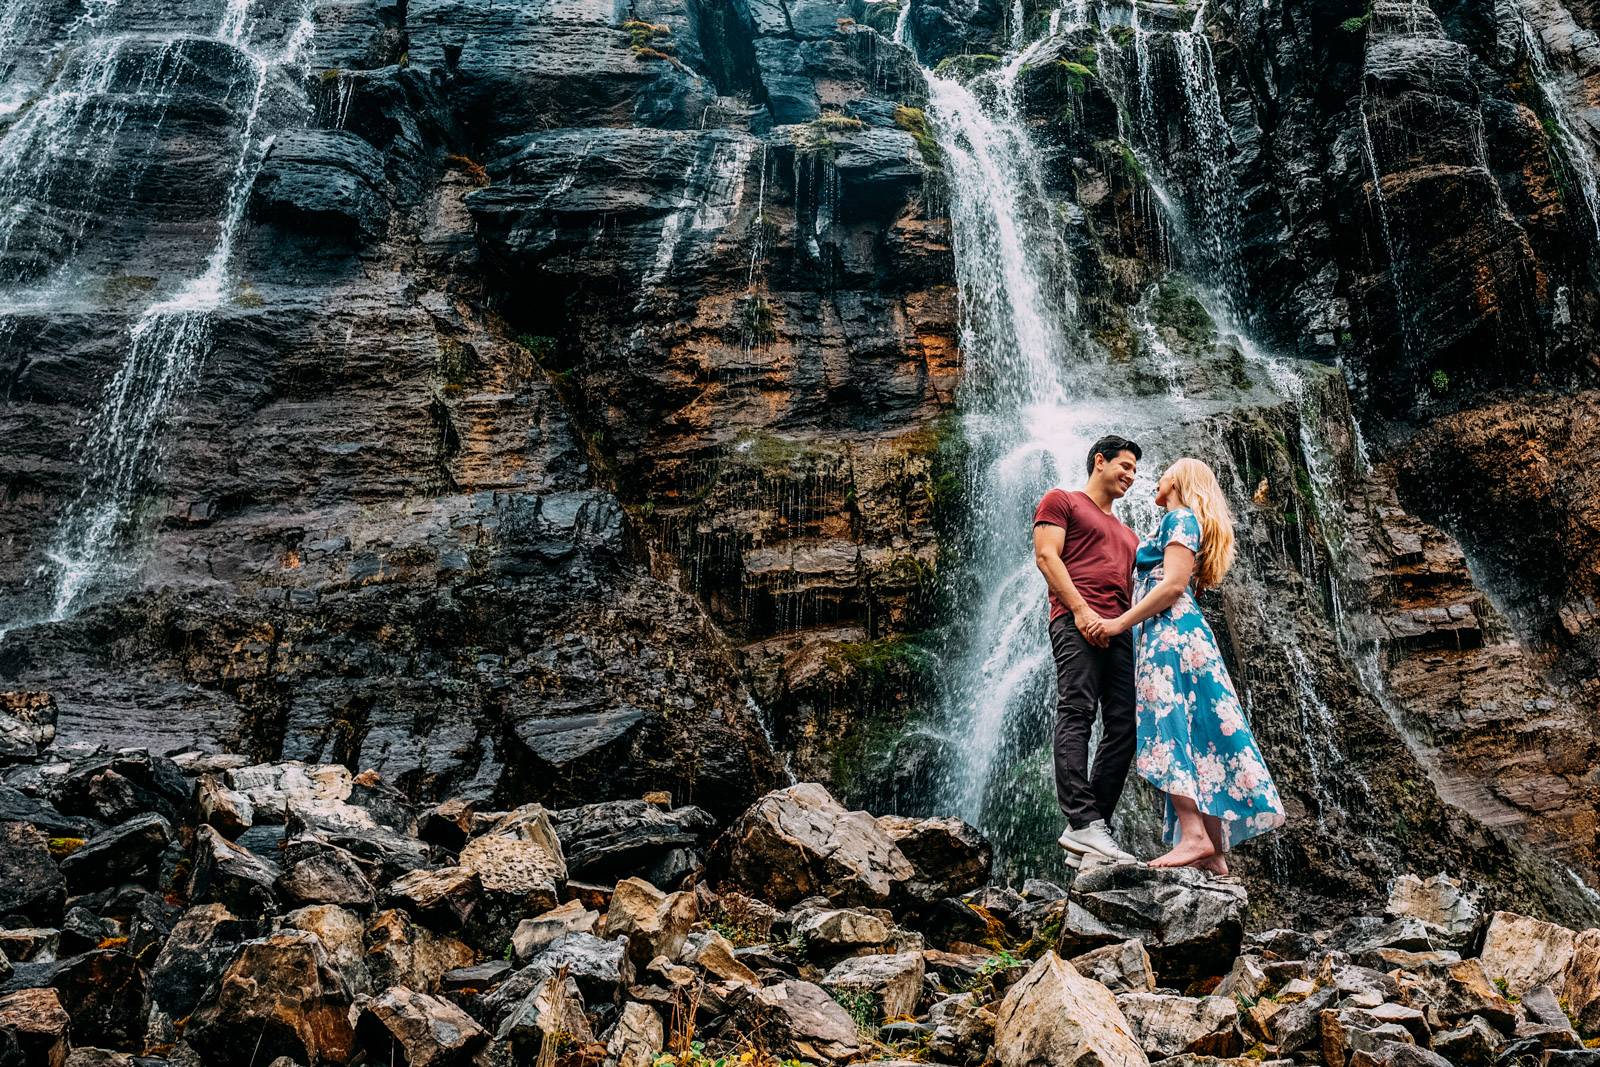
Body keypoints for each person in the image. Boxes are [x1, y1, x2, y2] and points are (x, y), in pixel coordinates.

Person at [1093, 457, 1285, 872]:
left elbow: (1173, 585)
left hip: (1169, 637)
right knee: (1201, 732)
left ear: (1179, 480)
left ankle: (1194, 834)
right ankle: (1212, 847)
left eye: (1163, 472)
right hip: (1188, 637)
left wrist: (1117, 624)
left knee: (1169, 726)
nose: (1153, 478)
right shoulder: (1187, 522)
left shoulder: (1179, 518)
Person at [1032, 434, 1143, 866]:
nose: (1131, 476)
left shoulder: (1130, 537)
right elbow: (1047, 557)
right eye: (1125, 466)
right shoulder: (1062, 500)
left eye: (1135, 470)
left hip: (1119, 630)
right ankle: (1082, 820)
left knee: (1126, 726)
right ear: (1100, 461)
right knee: (1076, 711)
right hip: (1074, 622)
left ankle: (1091, 828)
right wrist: (1080, 611)